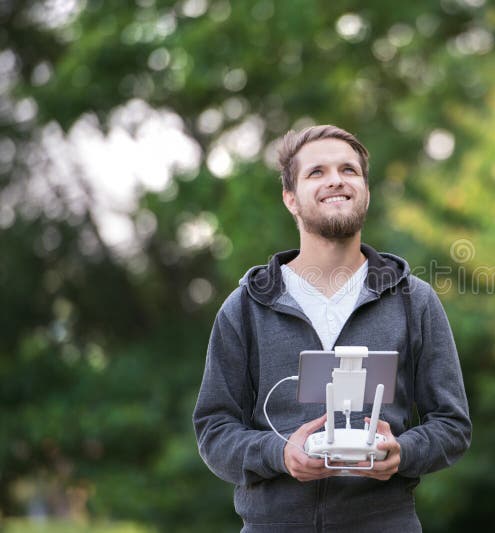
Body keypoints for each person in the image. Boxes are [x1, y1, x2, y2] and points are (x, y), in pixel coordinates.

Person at [193, 125, 471, 532]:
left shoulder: (415, 301)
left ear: (366, 191)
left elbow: (452, 424)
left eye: (348, 170)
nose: (336, 180)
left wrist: (402, 452)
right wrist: (279, 454)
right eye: (316, 172)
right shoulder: (245, 307)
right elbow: (214, 431)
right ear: (291, 198)